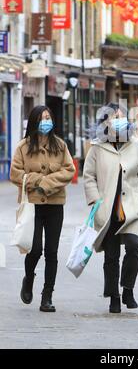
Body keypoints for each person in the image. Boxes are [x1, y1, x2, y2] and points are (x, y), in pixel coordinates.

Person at [83, 103, 138, 313]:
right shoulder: (97, 147)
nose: (119, 119)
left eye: (122, 115)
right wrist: (96, 200)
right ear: (106, 121)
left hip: (132, 208)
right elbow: (89, 176)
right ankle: (113, 295)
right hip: (108, 209)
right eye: (115, 116)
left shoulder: (136, 144)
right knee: (111, 255)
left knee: (134, 246)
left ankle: (128, 288)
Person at [10, 106, 75, 312]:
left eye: (48, 117)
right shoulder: (23, 146)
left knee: (52, 252)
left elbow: (69, 170)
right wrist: (35, 180)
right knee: (35, 248)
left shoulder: (61, 145)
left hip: (55, 205)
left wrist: (47, 182)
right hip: (33, 205)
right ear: (34, 122)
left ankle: (47, 296)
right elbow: (15, 173)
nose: (46, 121)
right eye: (41, 118)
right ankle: (28, 279)